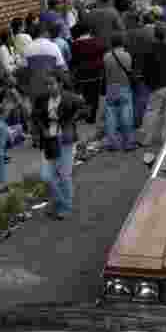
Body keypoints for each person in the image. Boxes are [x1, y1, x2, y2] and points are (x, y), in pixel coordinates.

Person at [31, 70, 86, 221]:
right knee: (47, 176)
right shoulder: (42, 99)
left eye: (52, 84)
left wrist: (70, 121)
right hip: (49, 140)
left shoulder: (70, 97)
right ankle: (61, 203)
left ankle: (63, 207)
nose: (49, 87)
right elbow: (35, 116)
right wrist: (42, 130)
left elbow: (84, 109)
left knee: (64, 175)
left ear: (60, 84)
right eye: (47, 84)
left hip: (66, 139)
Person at [139, 24, 166, 148]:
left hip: (157, 85)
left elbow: (145, 70)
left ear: (154, 35)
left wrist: (147, 83)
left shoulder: (149, 50)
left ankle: (146, 139)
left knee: (152, 111)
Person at [103, 32, 137, 151]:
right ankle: (128, 142)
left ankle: (112, 143)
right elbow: (129, 70)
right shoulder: (127, 56)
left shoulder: (106, 56)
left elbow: (106, 73)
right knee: (126, 115)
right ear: (122, 42)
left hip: (111, 87)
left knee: (111, 116)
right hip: (124, 86)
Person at [126, 10, 158, 128]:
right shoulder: (146, 33)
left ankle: (133, 120)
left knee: (133, 97)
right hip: (143, 69)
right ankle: (139, 121)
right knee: (142, 97)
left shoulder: (126, 34)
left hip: (129, 69)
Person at [70, 22, 105, 125]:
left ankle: (86, 114)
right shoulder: (97, 41)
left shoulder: (75, 44)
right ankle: (92, 117)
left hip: (82, 74)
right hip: (97, 73)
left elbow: (74, 60)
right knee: (94, 96)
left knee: (85, 95)